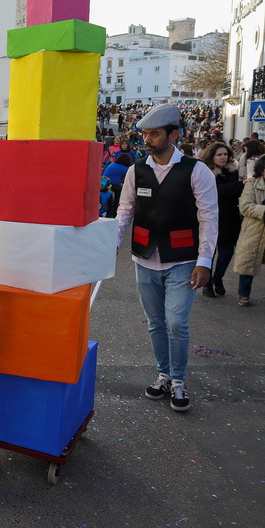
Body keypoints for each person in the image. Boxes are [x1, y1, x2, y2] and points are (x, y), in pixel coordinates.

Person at [116, 103, 218, 413]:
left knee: (176, 322)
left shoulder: (196, 170)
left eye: (155, 134)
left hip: (183, 259)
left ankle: (177, 380)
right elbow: (125, 211)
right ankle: (163, 374)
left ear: (172, 135)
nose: (148, 140)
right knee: (156, 323)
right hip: (145, 257)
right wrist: (110, 244)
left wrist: (205, 261)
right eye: (145, 134)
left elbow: (209, 217)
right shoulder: (136, 170)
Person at [200, 143, 243, 298]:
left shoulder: (232, 169)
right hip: (212, 216)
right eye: (219, 155)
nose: (223, 157)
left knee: (227, 251)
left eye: (225, 154)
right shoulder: (205, 172)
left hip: (231, 217)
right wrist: (241, 185)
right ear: (211, 156)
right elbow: (217, 191)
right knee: (210, 251)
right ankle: (207, 283)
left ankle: (218, 277)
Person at [232, 156, 265, 306]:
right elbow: (245, 206)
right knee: (248, 263)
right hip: (254, 230)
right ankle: (243, 294)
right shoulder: (252, 185)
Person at [102, 153, 134, 218]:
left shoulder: (112, 164)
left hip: (105, 184)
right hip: (116, 185)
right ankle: (114, 214)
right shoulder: (126, 168)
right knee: (116, 199)